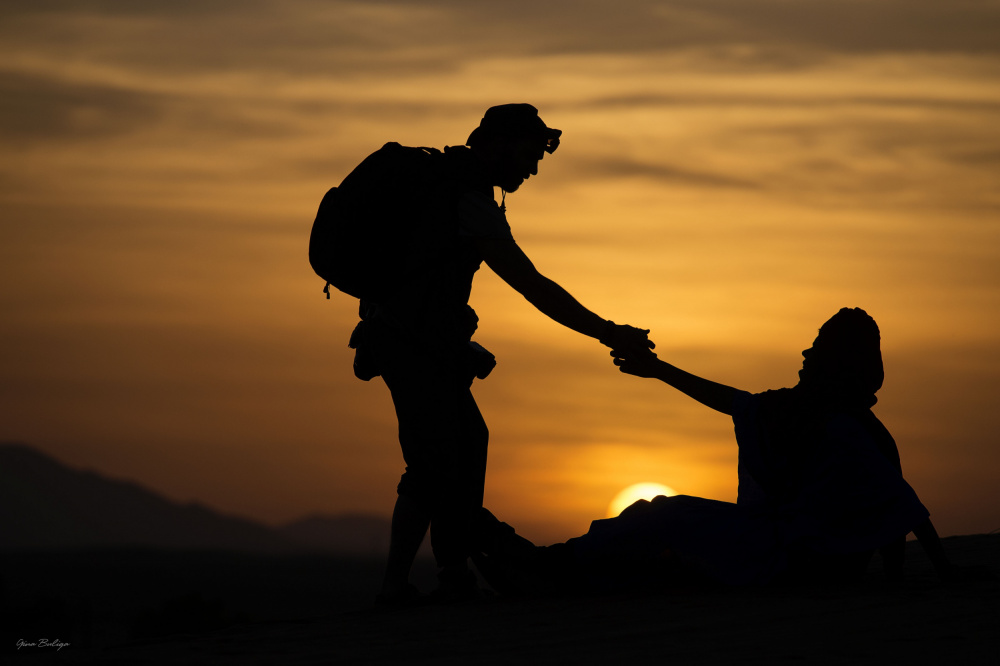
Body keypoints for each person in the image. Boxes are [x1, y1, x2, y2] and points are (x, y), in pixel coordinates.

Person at [361, 104, 654, 604]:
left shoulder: (447, 188)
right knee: (434, 464)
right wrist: (609, 332)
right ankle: (401, 589)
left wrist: (458, 344)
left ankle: (449, 578)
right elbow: (531, 285)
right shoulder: (465, 198)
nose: (532, 169)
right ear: (496, 145)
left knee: (463, 447)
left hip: (417, 341)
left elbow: (419, 286)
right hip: (410, 345)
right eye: (527, 155)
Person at [473, 308, 954, 593]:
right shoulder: (797, 411)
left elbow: (903, 508)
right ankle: (551, 566)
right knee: (660, 520)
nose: (806, 357)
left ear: (839, 366)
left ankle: (545, 569)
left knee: (664, 521)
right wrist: (659, 371)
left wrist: (938, 572)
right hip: (781, 549)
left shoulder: (849, 431)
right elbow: (732, 402)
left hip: (797, 563)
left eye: (818, 351)